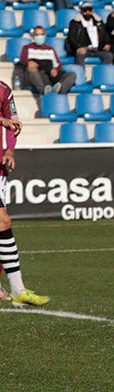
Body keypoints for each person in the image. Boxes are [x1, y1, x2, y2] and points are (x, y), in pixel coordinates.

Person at [0, 86, 47, 307]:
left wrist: (9, 150)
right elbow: (6, 121)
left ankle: (17, 290)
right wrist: (2, 120)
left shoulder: (3, 90)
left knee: (2, 223)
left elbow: (13, 122)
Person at [19, 26, 76, 94]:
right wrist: (29, 62)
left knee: (72, 74)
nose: (39, 37)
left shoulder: (50, 49)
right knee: (32, 69)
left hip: (48, 75)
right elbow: (23, 60)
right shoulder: (27, 48)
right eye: (37, 35)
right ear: (33, 36)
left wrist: (56, 70)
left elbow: (58, 64)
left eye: (42, 34)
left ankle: (60, 89)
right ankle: (43, 90)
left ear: (45, 36)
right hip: (35, 74)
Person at [66, 1, 113, 66]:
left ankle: (102, 73)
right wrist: (78, 47)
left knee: (109, 55)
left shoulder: (98, 22)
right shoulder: (75, 23)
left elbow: (104, 34)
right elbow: (71, 38)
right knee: (80, 55)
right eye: (85, 10)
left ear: (92, 11)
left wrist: (107, 44)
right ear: (81, 11)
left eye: (90, 10)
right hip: (84, 48)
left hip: (97, 49)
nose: (87, 12)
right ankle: (81, 74)